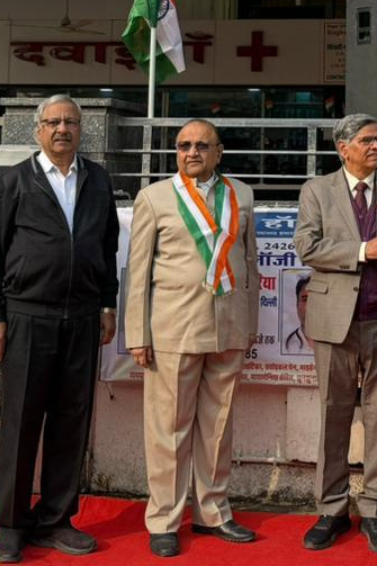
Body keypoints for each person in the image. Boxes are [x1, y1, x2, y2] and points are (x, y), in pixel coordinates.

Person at [0, 95, 119, 564]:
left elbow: (107, 246)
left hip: (82, 317)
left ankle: (56, 520)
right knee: (19, 424)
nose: (62, 129)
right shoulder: (16, 180)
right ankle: (11, 525)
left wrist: (107, 303)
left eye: (70, 122)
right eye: (54, 122)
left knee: (70, 422)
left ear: (82, 129)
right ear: (38, 130)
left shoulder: (97, 179)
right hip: (26, 317)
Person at [125, 119, 260, 559]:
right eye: (184, 145)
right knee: (168, 429)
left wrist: (250, 322)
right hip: (173, 329)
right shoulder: (154, 197)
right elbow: (138, 272)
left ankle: (213, 512)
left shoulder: (242, 194)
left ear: (219, 152)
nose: (192, 152)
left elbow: (250, 262)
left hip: (228, 326)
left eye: (202, 145)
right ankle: (164, 519)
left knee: (218, 428)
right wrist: (137, 334)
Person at [293, 114, 377, 554]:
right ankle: (331, 509)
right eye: (367, 140)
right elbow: (307, 247)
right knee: (333, 414)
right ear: (343, 148)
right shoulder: (317, 190)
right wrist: (363, 250)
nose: (376, 146)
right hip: (335, 321)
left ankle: (375, 510)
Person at [284, 273, 314, 353]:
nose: (310, 307)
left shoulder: (337, 347)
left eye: (316, 300)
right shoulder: (285, 346)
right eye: (305, 300)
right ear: (297, 304)